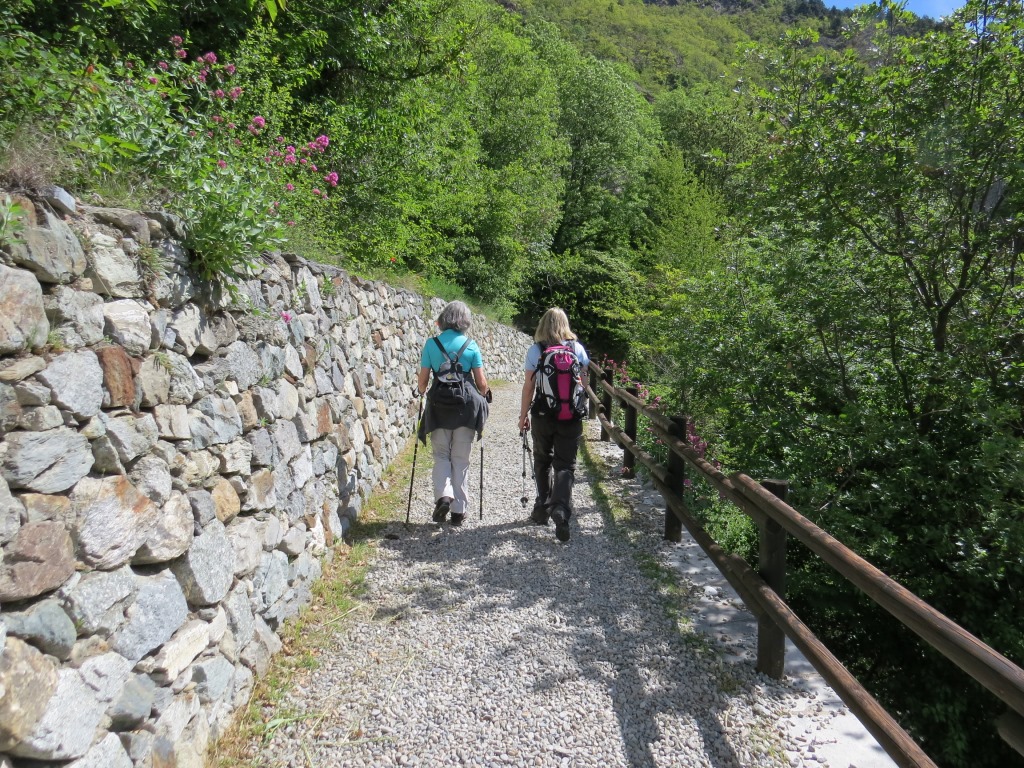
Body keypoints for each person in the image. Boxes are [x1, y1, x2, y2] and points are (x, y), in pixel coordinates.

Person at [416, 301, 490, 526]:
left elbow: (422, 383)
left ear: (444, 318)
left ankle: (444, 497)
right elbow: (481, 384)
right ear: (465, 320)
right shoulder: (471, 345)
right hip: (465, 409)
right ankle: (458, 511)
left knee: (441, 455)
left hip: (439, 408)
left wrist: (421, 391)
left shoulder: (432, 344)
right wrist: (485, 394)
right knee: (460, 459)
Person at [519, 307, 589, 542]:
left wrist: (523, 415)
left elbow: (529, 387)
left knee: (542, 459)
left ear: (543, 325)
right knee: (565, 464)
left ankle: (542, 508)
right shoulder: (577, 349)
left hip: (543, 413)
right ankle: (560, 509)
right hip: (570, 416)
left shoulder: (536, 350)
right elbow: (583, 385)